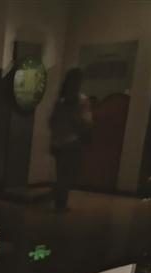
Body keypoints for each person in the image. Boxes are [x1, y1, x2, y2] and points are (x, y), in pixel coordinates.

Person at [49, 68, 92, 211]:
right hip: (71, 142)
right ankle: (61, 203)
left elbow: (52, 122)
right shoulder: (82, 101)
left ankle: (59, 202)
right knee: (66, 175)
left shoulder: (60, 101)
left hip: (58, 142)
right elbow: (85, 123)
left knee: (61, 174)